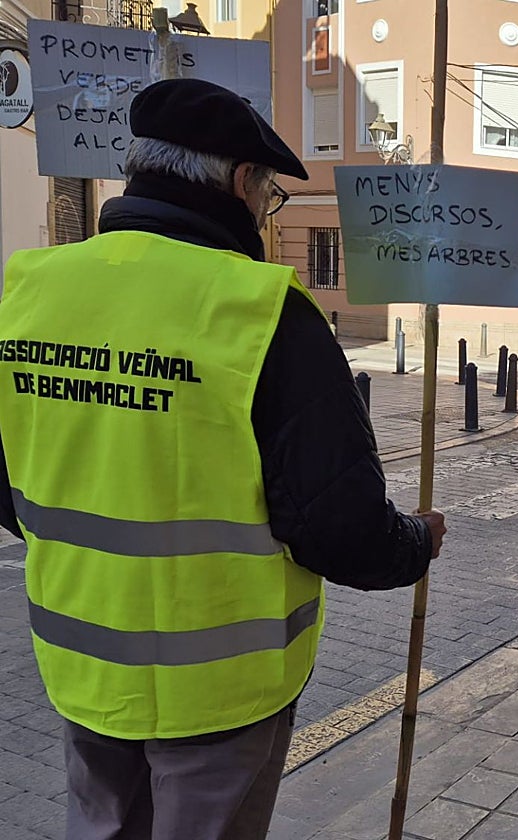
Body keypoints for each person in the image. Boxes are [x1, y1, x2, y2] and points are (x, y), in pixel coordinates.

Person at [0, 79, 446, 839]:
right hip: (222, 690)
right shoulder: (264, 312)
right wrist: (415, 544)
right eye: (269, 193)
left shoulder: (25, 290)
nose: (266, 210)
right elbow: (338, 526)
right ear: (242, 182)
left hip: (80, 666)